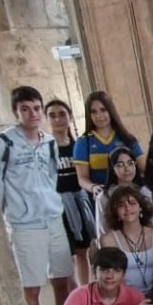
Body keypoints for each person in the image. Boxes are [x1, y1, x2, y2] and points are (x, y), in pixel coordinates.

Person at [0, 86, 73, 305]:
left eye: (36, 108)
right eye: (25, 109)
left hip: (53, 219)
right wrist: (1, 223)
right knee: (32, 288)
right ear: (15, 112)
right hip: (25, 225)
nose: (32, 114)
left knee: (62, 280)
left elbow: (51, 178)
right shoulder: (3, 144)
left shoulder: (49, 142)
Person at [46, 98, 95, 286]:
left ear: (70, 117)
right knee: (65, 254)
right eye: (52, 115)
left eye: (62, 114)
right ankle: (73, 295)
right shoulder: (44, 148)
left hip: (80, 203)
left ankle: (85, 290)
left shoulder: (79, 146)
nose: (58, 119)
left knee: (83, 251)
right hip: (58, 207)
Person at [97, 185, 153, 305]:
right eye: (121, 205)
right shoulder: (108, 240)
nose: (127, 208)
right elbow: (115, 280)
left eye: (132, 203)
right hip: (123, 301)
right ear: (116, 212)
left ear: (141, 207)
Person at [72, 91, 143, 194]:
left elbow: (143, 167)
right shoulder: (83, 141)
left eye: (103, 110)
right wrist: (93, 187)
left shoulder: (127, 138)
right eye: (93, 111)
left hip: (130, 195)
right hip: (101, 196)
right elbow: (82, 178)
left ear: (111, 111)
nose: (99, 115)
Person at [93, 147, 148, 238]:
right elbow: (103, 231)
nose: (127, 169)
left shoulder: (144, 191)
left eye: (130, 163)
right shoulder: (104, 197)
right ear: (112, 169)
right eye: (120, 165)